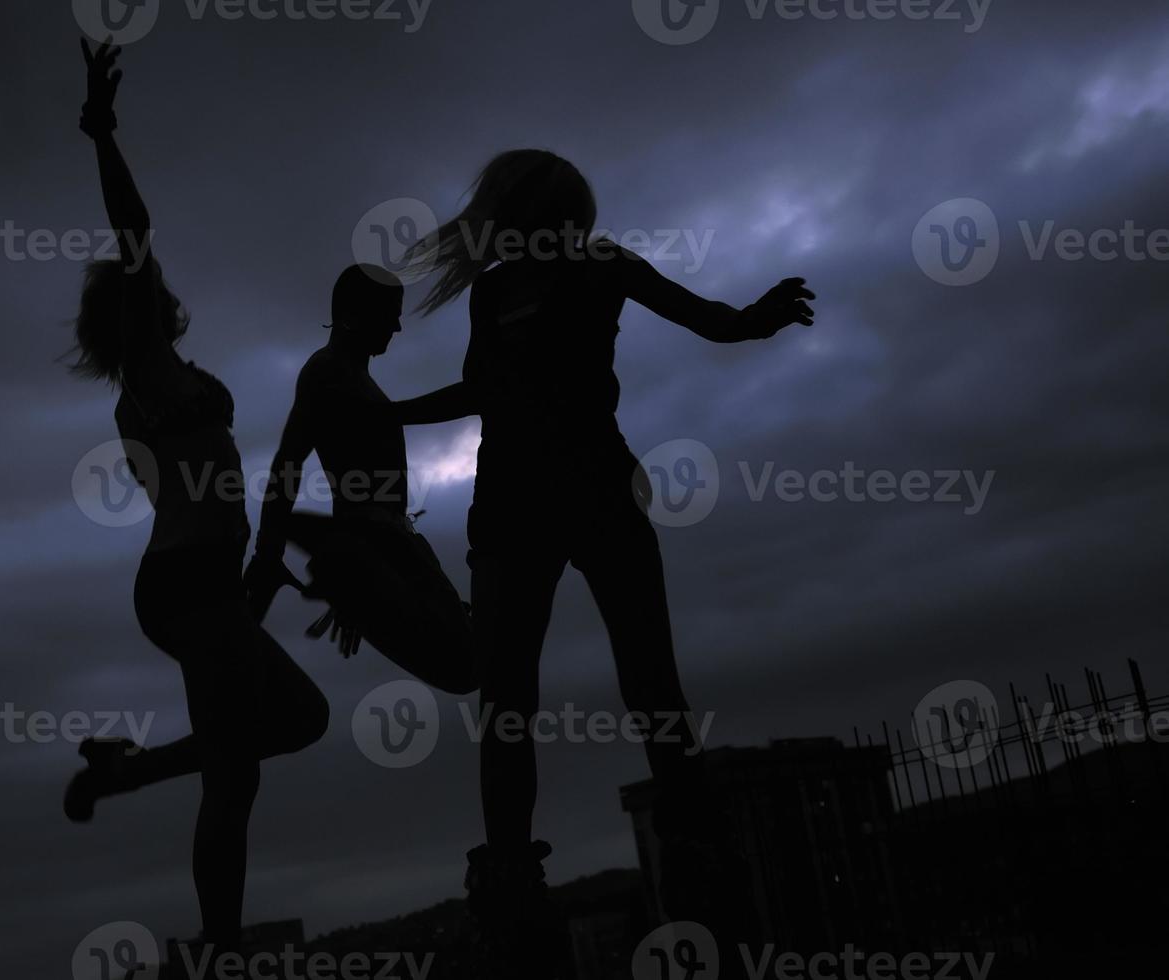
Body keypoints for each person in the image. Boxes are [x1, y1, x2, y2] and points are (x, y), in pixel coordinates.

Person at [402, 149, 816, 960]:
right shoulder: (509, 287)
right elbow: (483, 391)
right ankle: (535, 887)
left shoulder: (583, 270)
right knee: (569, 692)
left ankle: (649, 867)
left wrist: (754, 318)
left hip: (570, 494)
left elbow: (713, 319)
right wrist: (390, 414)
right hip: (538, 500)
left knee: (575, 692)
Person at [61, 38, 329, 959]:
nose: (159, 285)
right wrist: (103, 130)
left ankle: (126, 771)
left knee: (298, 720)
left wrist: (281, 563)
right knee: (233, 780)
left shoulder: (167, 373)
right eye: (146, 285)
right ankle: (221, 950)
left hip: (206, 578)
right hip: (184, 583)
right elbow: (133, 227)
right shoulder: (142, 374)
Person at [243, 265, 477, 696]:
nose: (397, 326)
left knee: (470, 661)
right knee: (468, 665)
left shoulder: (355, 378)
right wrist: (269, 555)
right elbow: (286, 465)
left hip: (391, 547)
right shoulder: (326, 372)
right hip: (374, 542)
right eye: (389, 313)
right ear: (352, 315)